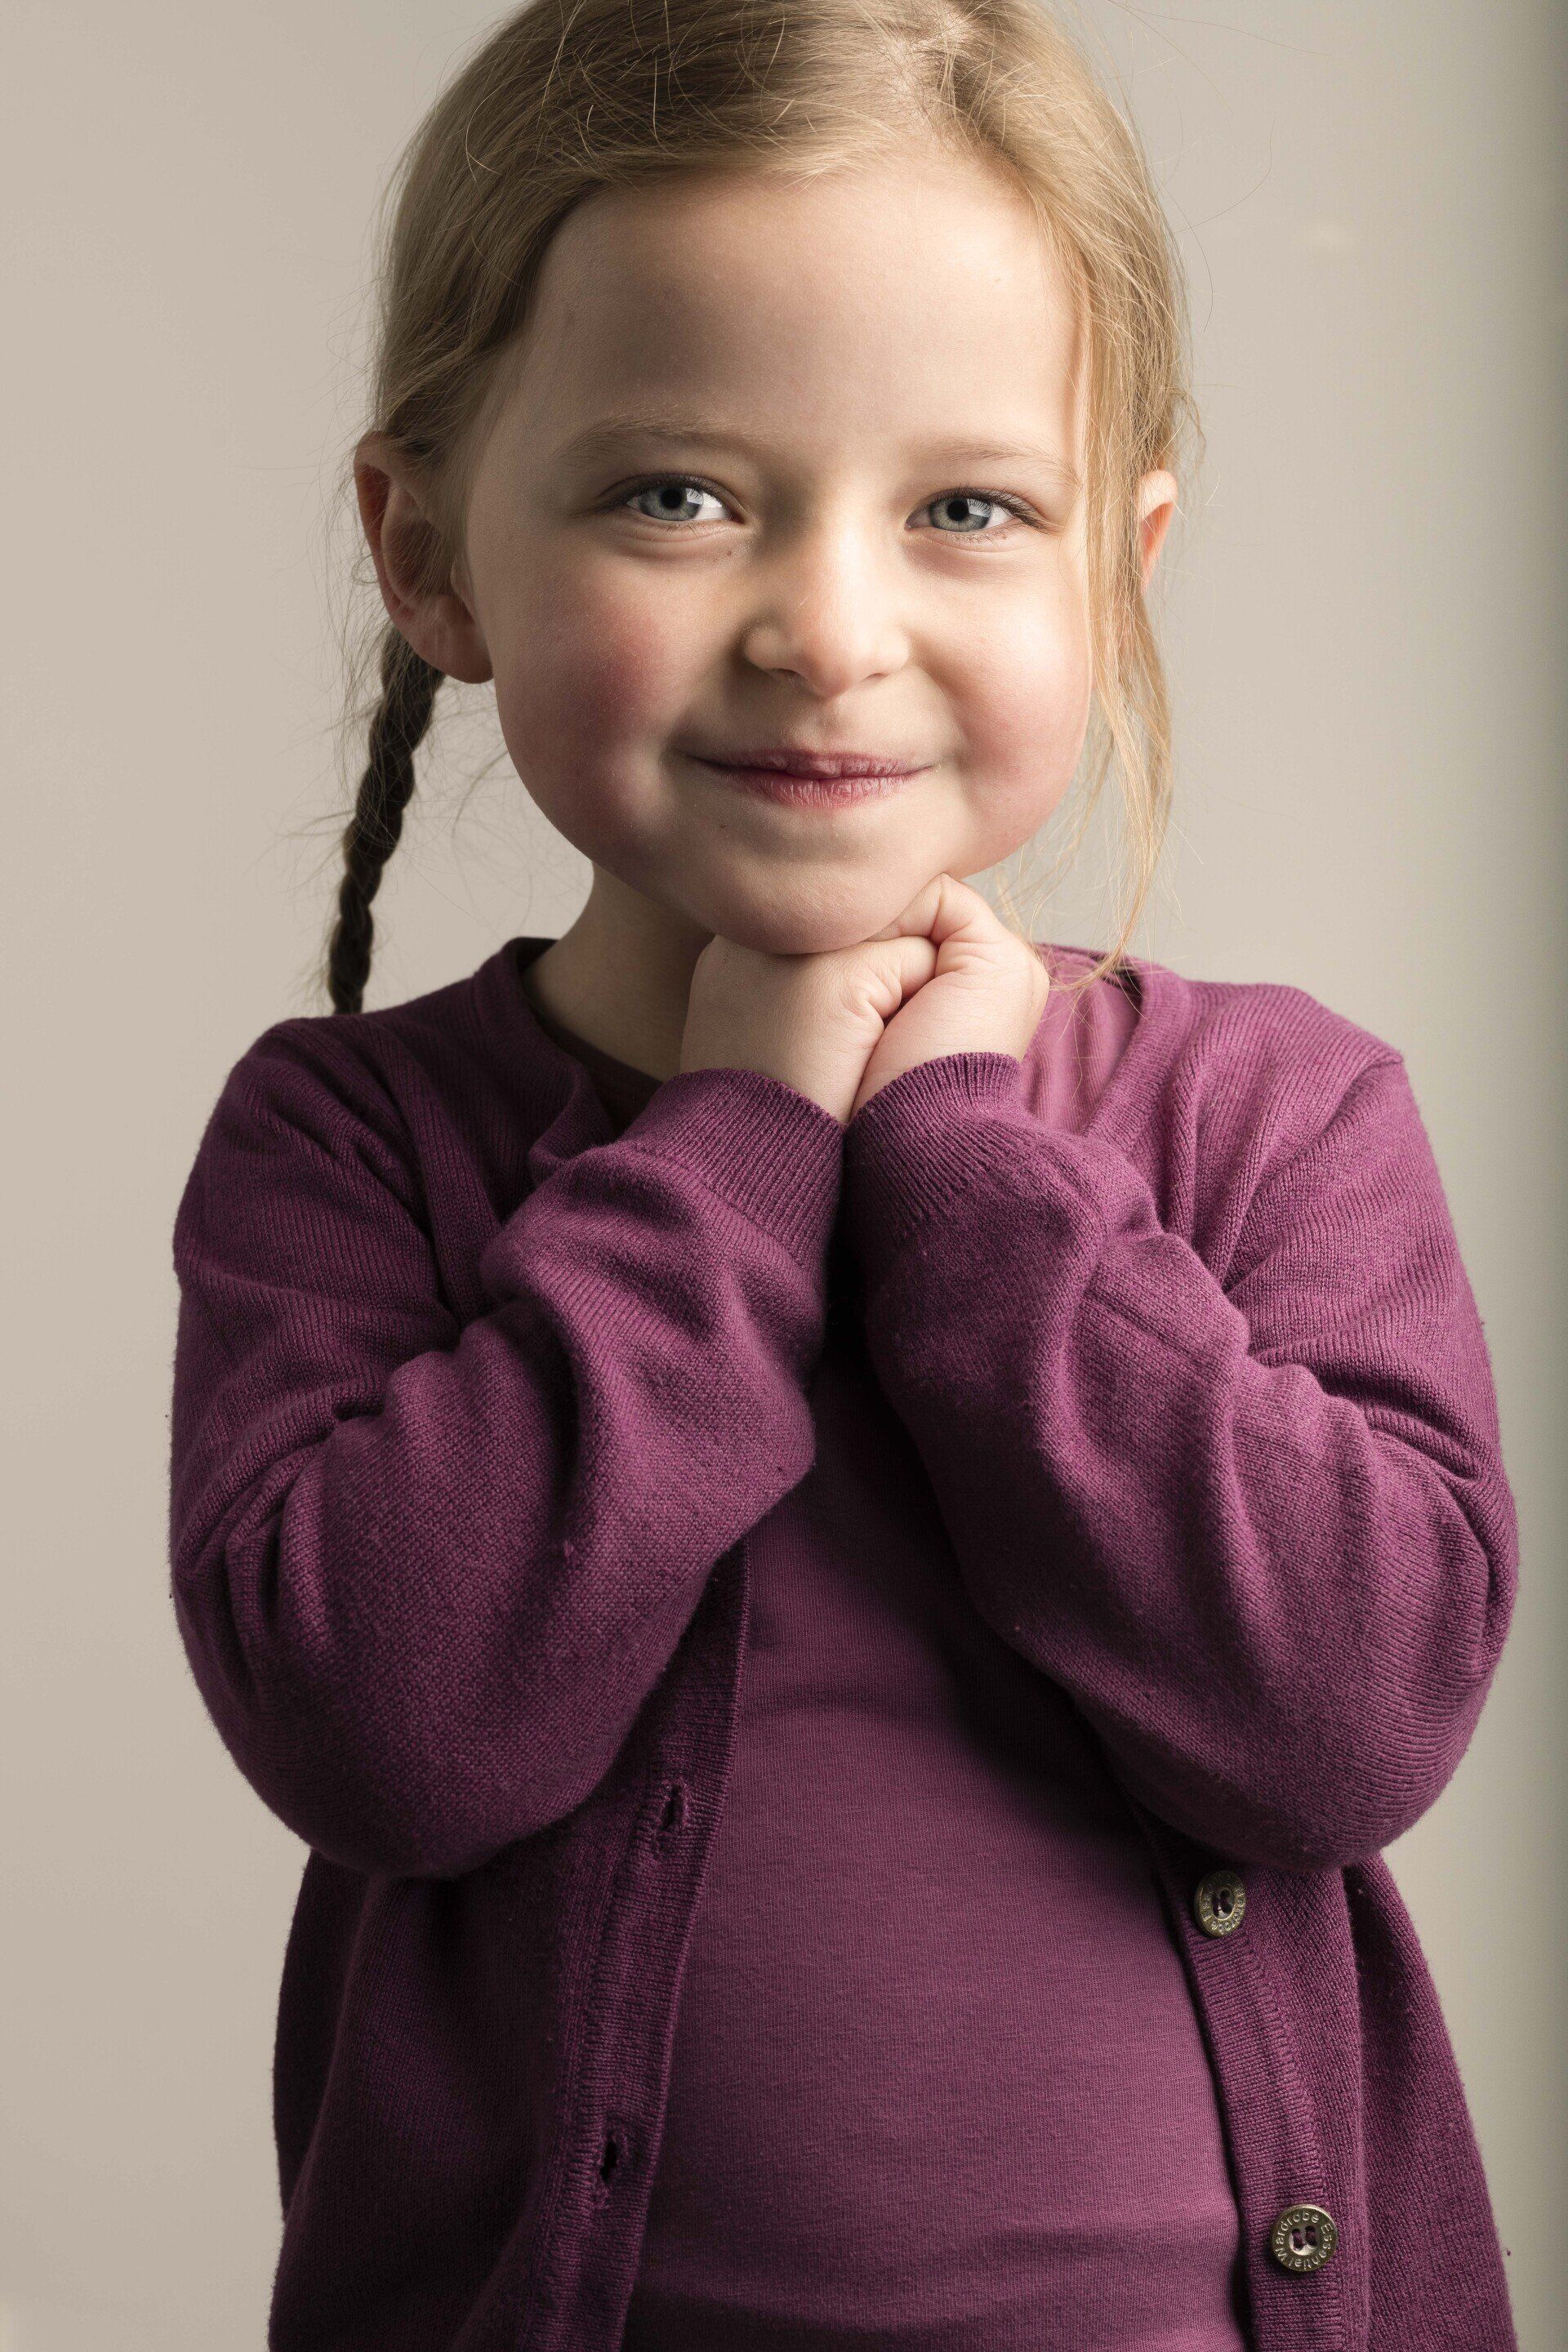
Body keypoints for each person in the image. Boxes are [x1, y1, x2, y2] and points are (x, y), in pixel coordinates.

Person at [166, 2, 1521, 2346]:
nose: (828, 623)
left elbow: (1345, 1723)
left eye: (969, 508)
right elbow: (389, 1732)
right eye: (679, 493)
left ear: (1119, 567)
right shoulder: (350, 1145)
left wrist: (970, 1181)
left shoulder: (1278, 1119)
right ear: (433, 550)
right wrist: (737, 1149)